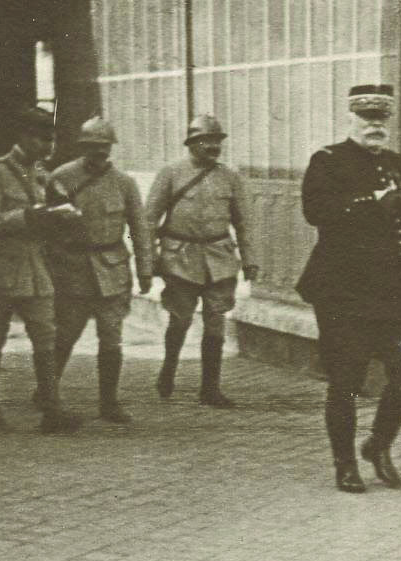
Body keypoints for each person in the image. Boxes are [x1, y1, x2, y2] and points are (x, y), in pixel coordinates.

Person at [296, 83, 401, 493]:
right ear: (351, 119)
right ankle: (344, 465)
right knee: (346, 378)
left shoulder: (395, 162)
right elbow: (315, 211)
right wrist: (372, 202)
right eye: (366, 118)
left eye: (381, 119)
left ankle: (378, 445)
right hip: (342, 292)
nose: (374, 126)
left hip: (390, 293)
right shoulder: (328, 160)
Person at [0, 106, 82, 433]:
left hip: (33, 265)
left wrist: (63, 217)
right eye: (42, 139)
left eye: (52, 140)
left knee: (46, 336)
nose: (48, 147)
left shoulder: (44, 175)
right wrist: (31, 216)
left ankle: (51, 410)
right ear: (22, 137)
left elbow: (49, 219)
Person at [44, 115, 155, 423]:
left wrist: (146, 270)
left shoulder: (124, 183)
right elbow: (46, 228)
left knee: (111, 337)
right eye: (93, 147)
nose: (99, 152)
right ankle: (47, 394)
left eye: (104, 147)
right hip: (73, 270)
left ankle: (109, 403)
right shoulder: (61, 177)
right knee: (65, 335)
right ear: (82, 147)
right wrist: (50, 269)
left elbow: (140, 228)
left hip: (112, 270)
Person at [146, 114, 257, 408]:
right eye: (206, 141)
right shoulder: (171, 174)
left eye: (217, 141)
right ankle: (169, 369)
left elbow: (244, 222)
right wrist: (148, 261)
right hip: (181, 258)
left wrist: (250, 259)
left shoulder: (230, 177)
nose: (213, 147)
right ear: (192, 143)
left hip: (219, 258)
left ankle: (210, 388)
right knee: (180, 319)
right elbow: (148, 220)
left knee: (216, 322)